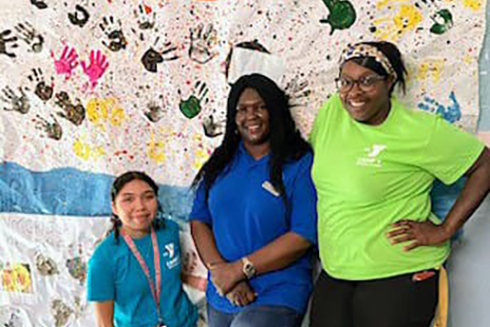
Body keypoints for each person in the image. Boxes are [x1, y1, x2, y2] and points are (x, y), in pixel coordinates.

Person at [309, 40, 490, 327]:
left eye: (367, 81)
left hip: (399, 270)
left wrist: (445, 229)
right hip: (337, 269)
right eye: (346, 81)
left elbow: (485, 165)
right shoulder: (333, 112)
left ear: (389, 81)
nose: (354, 92)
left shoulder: (420, 131)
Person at [190, 73, 318, 327]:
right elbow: (199, 221)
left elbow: (302, 236)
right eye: (243, 109)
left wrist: (240, 269)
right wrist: (223, 273)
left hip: (278, 291)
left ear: (276, 111)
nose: (252, 116)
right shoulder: (221, 162)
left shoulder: (298, 162)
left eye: (261, 107)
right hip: (223, 292)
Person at [87, 171, 198, 327]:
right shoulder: (103, 259)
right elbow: (104, 324)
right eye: (128, 199)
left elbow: (165, 272)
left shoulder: (169, 230)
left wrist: (197, 282)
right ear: (114, 207)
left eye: (148, 197)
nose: (140, 206)